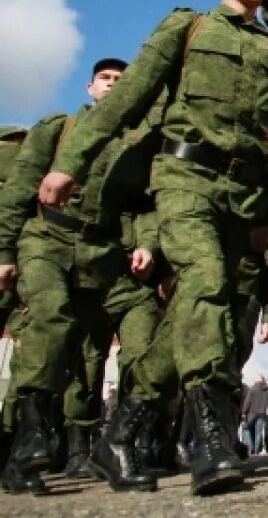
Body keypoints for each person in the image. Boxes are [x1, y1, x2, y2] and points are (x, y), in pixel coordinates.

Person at [39, 0, 268, 495]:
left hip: (243, 194)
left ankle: (122, 432)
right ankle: (214, 440)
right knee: (205, 281)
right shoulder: (188, 30)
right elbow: (126, 101)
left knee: (195, 310)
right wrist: (70, 164)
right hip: (184, 178)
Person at [0, 58, 160, 495]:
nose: (113, 86)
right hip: (46, 238)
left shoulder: (134, 147)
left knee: (143, 335)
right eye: (106, 80)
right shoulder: (59, 128)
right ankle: (26, 450)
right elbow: (19, 188)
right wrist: (4, 252)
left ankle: (111, 445)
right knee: (51, 321)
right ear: (91, 88)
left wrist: (146, 242)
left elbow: (142, 206)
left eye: (122, 82)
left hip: (104, 254)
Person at [241, 374, 268, 454]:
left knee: (246, 429)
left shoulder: (253, 388)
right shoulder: (267, 390)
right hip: (262, 412)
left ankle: (250, 448)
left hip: (252, 412)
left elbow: (247, 402)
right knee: (258, 432)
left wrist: (243, 412)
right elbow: (267, 400)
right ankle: (257, 451)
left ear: (256, 379)